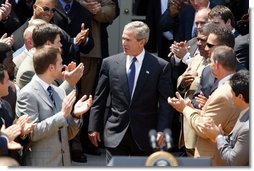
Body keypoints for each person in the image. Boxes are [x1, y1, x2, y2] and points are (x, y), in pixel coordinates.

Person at [88, 21, 174, 163]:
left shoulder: (160, 66)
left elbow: (165, 102)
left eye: (128, 40)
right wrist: (93, 127)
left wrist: (162, 129)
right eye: (123, 38)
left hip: (145, 135)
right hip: (115, 132)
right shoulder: (109, 64)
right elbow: (100, 98)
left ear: (142, 42)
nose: (123, 43)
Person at [16, 45, 93, 166]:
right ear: (51, 67)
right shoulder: (28, 94)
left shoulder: (59, 91)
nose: (63, 66)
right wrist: (62, 115)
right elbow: (32, 133)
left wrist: (75, 116)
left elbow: (67, 134)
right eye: (61, 63)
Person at [168, 46, 241, 166]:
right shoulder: (231, 86)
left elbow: (204, 129)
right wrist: (191, 107)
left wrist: (185, 109)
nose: (209, 66)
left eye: (211, 62)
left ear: (217, 64)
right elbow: (211, 120)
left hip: (214, 159)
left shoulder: (223, 93)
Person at [198, 70, 249, 166]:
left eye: (232, 93)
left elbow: (233, 160)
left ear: (240, 97)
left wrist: (218, 137)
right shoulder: (244, 112)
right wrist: (221, 136)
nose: (230, 96)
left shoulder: (247, 128)